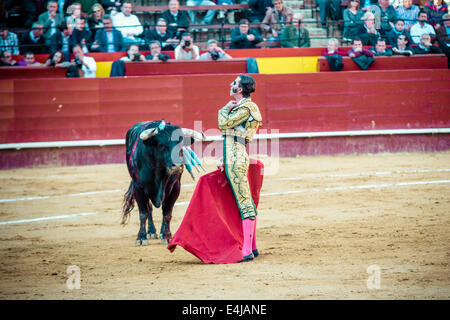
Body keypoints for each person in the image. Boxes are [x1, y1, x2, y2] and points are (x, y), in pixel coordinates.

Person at [218, 74, 262, 262]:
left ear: (241, 89)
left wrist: (225, 108)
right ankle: (252, 246)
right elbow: (232, 133)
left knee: (244, 201)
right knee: (245, 199)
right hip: (234, 154)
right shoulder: (244, 107)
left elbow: (223, 124)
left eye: (234, 83)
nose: (231, 84)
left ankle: (246, 250)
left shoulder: (246, 107)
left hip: (236, 158)